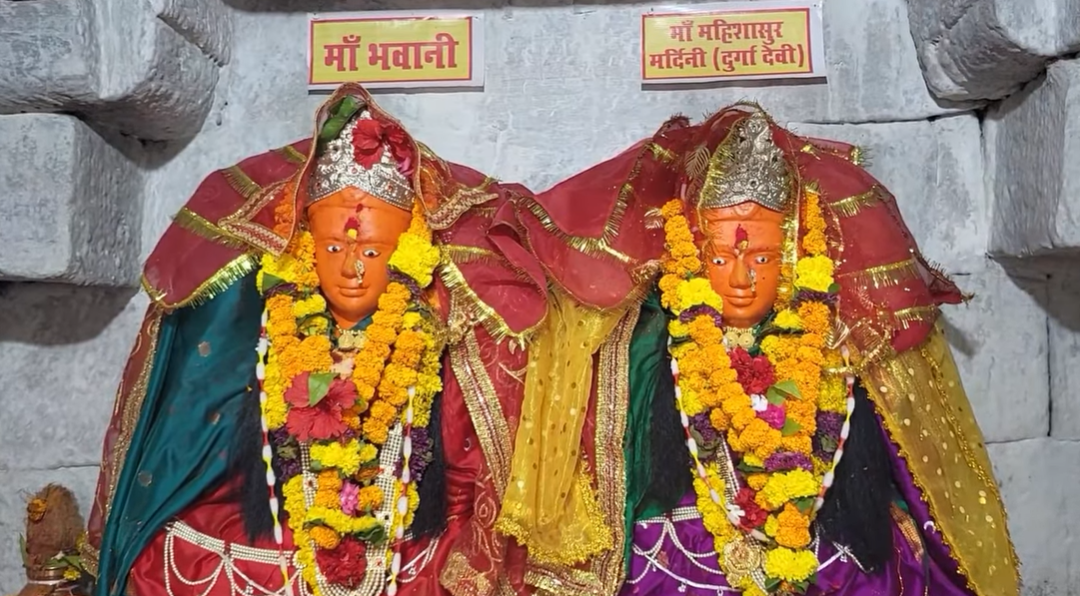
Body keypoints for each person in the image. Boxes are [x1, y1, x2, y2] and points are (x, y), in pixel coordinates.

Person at [502, 104, 1020, 596]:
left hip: (819, 542)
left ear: (793, 259)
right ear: (694, 257)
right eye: (723, 257)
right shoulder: (653, 345)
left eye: (764, 258)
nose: (743, 279)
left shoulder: (833, 343)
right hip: (689, 546)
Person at [80, 84, 548, 596]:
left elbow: (466, 483)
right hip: (286, 531)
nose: (351, 268)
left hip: (400, 540)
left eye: (372, 252)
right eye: (333, 247)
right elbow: (216, 463)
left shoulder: (430, 329)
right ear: (305, 250)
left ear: (407, 254)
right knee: (167, 555)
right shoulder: (273, 326)